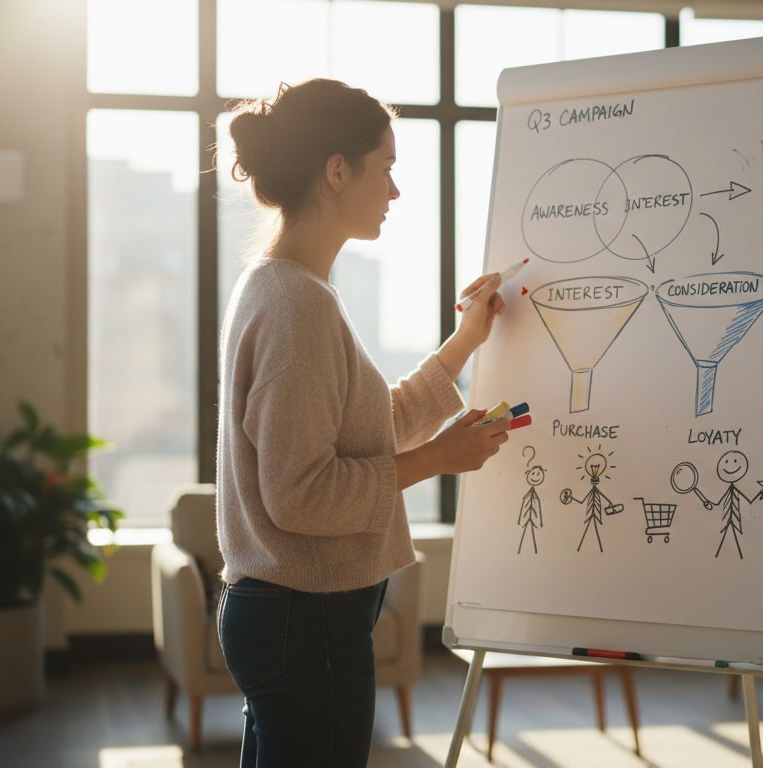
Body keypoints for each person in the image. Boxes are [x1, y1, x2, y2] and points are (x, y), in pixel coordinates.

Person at [215, 78, 510, 768]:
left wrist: (465, 343)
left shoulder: (286, 288)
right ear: (337, 170)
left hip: (289, 619)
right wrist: (440, 459)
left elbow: (374, 426)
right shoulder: (297, 305)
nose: (396, 192)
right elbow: (302, 493)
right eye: (386, 168)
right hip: (304, 621)